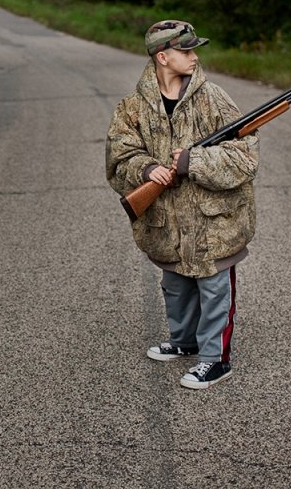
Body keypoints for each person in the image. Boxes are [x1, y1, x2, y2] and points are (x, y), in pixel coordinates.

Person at [105, 21, 259, 389]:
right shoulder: (132, 108)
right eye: (186, 51)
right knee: (175, 284)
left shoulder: (215, 99)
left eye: (193, 50)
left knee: (213, 287)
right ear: (163, 57)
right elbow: (119, 156)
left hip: (214, 222)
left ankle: (215, 360)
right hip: (167, 221)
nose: (194, 57)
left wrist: (195, 163)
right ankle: (184, 342)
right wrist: (148, 169)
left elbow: (245, 155)